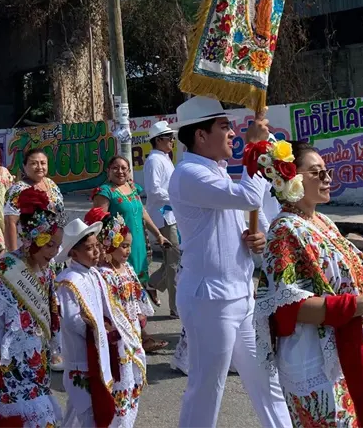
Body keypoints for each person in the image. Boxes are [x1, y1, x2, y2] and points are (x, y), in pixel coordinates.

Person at [250, 140, 363, 428]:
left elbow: (342, 279)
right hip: (313, 357)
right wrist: (362, 304)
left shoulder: (322, 221)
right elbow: (289, 307)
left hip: (341, 347)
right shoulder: (284, 231)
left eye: (327, 171)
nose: (327, 178)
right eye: (316, 172)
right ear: (291, 179)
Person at [167, 96, 290, 428]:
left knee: (267, 382)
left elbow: (232, 224)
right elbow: (249, 197)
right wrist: (257, 149)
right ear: (200, 135)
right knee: (207, 389)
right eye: (224, 127)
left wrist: (253, 240)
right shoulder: (189, 173)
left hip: (240, 295)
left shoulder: (217, 172)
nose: (234, 133)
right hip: (210, 299)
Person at [0, 187, 64, 428]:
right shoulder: (5, 268)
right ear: (33, 239)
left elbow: (50, 308)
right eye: (50, 245)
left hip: (36, 357)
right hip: (7, 360)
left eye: (57, 246)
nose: (55, 252)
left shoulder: (47, 269)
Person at [57, 217, 139, 428]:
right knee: (82, 407)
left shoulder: (94, 273)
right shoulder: (68, 280)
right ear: (74, 253)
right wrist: (97, 328)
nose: (96, 252)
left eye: (96, 246)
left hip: (98, 346)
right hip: (81, 353)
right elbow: (72, 320)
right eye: (89, 248)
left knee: (90, 407)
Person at [92, 156, 169, 353]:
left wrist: (158, 234)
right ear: (108, 171)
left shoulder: (133, 188)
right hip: (117, 250)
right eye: (115, 168)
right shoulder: (105, 192)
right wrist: (101, 250)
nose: (120, 171)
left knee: (137, 289)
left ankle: (138, 333)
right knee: (125, 292)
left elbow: (142, 212)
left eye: (124, 168)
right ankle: (138, 336)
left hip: (138, 246)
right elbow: (97, 222)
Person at [88, 208, 149, 421]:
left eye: (129, 246)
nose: (127, 251)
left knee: (134, 379)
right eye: (123, 246)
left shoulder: (128, 269)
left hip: (132, 330)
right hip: (118, 333)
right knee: (122, 378)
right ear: (110, 245)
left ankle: (129, 419)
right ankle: (119, 421)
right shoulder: (103, 274)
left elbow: (137, 295)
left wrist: (140, 313)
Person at [143, 121, 182, 319]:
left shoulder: (165, 158)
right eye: (169, 138)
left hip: (171, 215)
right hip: (163, 216)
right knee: (174, 261)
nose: (172, 141)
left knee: (175, 259)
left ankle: (152, 283)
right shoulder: (154, 161)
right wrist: (177, 197)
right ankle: (175, 308)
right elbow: (153, 190)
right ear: (158, 140)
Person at [3, 148, 65, 252]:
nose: (40, 167)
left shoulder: (51, 184)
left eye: (43, 163)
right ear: (24, 166)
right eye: (34, 163)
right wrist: (13, 253)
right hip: (30, 249)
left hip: (54, 246)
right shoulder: (18, 190)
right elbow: (10, 223)